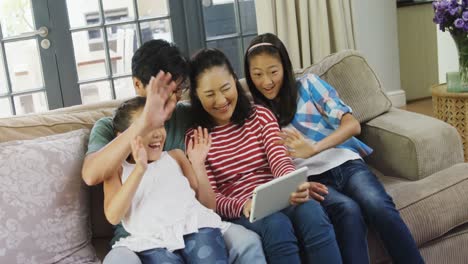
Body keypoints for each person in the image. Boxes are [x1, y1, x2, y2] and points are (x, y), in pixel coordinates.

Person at [243, 33, 425, 264]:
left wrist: (314, 148)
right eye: (257, 74)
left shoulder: (308, 85)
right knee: (348, 211)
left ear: (285, 68)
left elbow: (352, 125)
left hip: (345, 164)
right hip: (311, 180)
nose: (266, 82)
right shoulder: (253, 112)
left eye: (273, 71)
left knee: (377, 205)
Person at [81, 39, 266, 264]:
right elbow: (92, 175)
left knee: (248, 242)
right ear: (138, 84)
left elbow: (231, 112)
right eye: (163, 91)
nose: (172, 99)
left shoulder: (186, 116)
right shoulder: (110, 127)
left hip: (192, 224)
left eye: (178, 90)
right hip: (138, 237)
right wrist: (144, 123)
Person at [185, 48, 342, 264]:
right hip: (241, 209)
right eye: (210, 94)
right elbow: (213, 198)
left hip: (278, 195)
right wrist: (242, 205)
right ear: (196, 95)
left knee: (312, 211)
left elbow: (280, 160)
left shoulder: (260, 115)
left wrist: (292, 184)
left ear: (235, 81)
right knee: (276, 225)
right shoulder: (196, 138)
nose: (221, 100)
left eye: (225, 88)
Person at [104, 96, 229, 263]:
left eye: (161, 125)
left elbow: (208, 206)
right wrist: (140, 168)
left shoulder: (176, 156)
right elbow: (113, 216)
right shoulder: (116, 171)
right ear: (122, 137)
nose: (157, 134)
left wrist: (198, 165)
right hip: (151, 242)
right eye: (147, 128)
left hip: (196, 227)